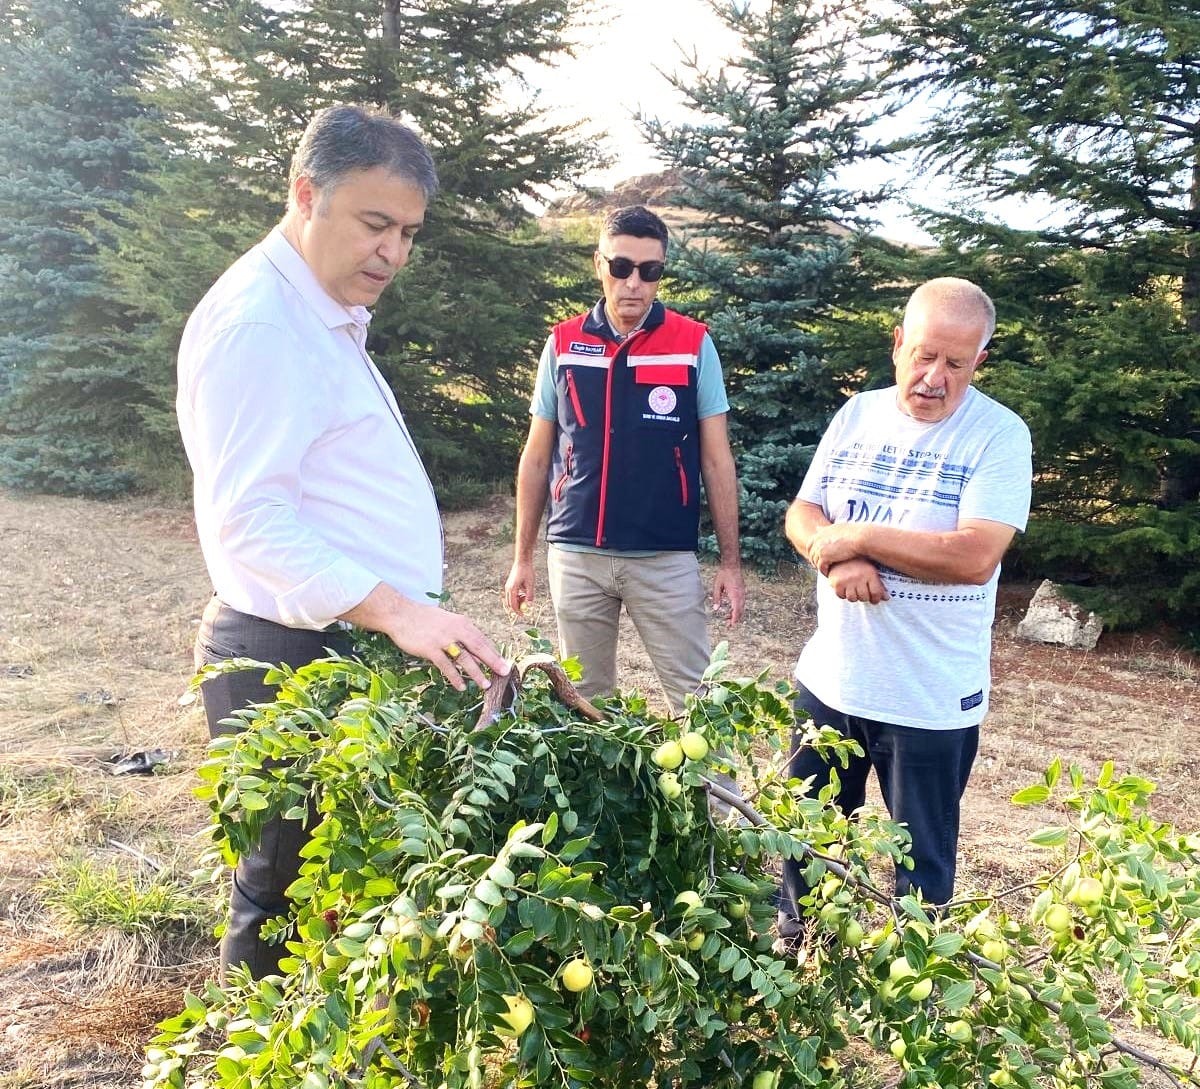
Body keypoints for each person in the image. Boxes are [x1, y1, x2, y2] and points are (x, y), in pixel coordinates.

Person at [176, 104, 509, 980]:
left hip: (337, 650)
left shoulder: (314, 310)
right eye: (374, 224)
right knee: (282, 899)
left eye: (407, 232)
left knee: (339, 893)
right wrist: (399, 609)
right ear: (305, 194)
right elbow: (249, 522)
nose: (392, 252)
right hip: (288, 658)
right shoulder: (261, 323)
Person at [778, 277, 1032, 926]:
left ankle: (911, 1010)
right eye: (923, 355)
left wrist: (858, 536)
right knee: (805, 856)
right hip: (830, 683)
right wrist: (836, 555)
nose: (933, 377)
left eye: (954, 362)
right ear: (897, 345)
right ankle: (794, 967)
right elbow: (804, 513)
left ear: (980, 361)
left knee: (920, 882)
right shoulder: (857, 414)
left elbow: (974, 555)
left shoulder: (999, 437)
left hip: (929, 701)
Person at [503, 205, 745, 715]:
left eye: (649, 271)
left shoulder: (692, 344)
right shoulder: (564, 343)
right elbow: (536, 454)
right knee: (585, 709)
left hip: (664, 558)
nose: (634, 282)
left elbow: (718, 460)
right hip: (576, 555)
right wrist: (522, 557)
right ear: (600, 264)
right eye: (621, 267)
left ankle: (719, 801)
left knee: (701, 707)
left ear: (660, 274)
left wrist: (730, 563)